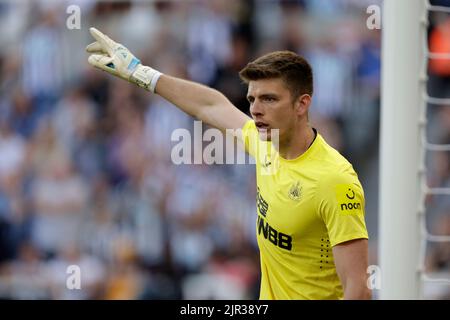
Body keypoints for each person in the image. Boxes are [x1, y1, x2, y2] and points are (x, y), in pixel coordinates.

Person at [86, 27, 370, 300]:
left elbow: (358, 289)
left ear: (302, 104)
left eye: (269, 99)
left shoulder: (335, 180)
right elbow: (211, 106)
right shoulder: (265, 144)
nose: (256, 109)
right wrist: (142, 74)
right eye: (252, 99)